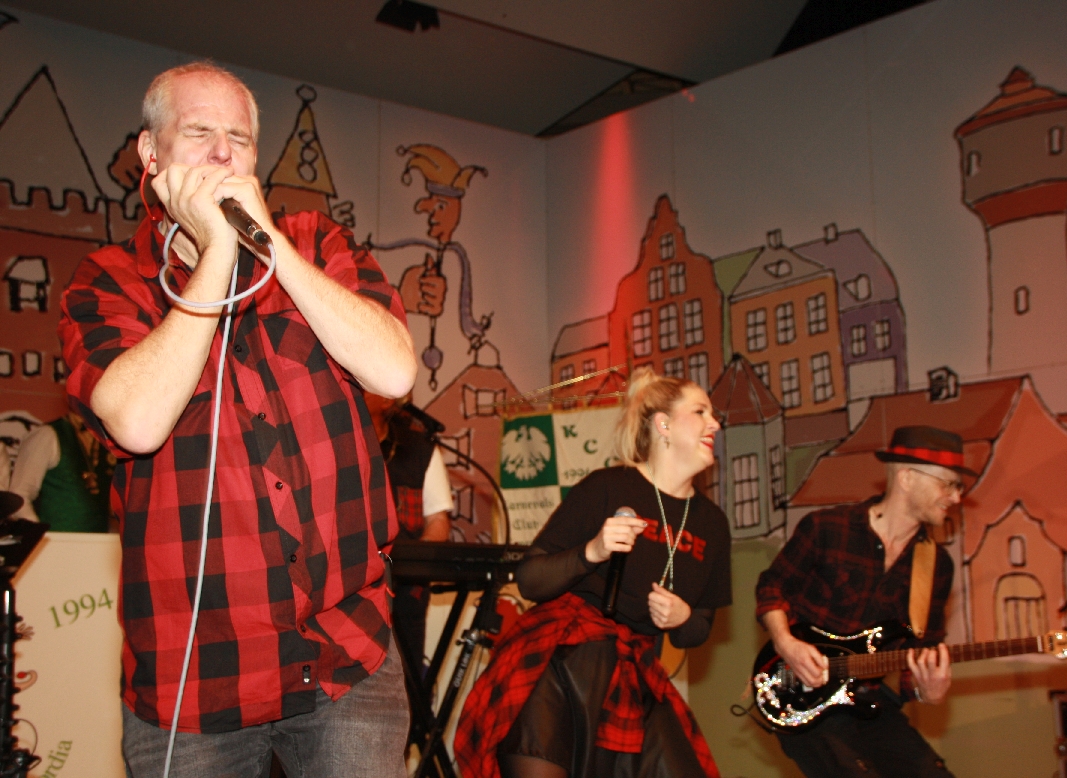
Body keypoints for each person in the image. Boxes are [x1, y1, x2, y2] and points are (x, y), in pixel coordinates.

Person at [57, 61, 417, 777]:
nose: (224, 153)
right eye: (200, 133)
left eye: (241, 139)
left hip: (347, 654)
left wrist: (266, 245)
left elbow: (395, 371)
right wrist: (216, 258)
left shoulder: (316, 243)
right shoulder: (108, 281)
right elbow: (136, 422)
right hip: (196, 681)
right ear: (150, 153)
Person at [456, 367, 731, 778]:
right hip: (563, 659)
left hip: (634, 673)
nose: (715, 423)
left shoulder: (712, 523)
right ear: (664, 425)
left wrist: (683, 617)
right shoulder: (607, 487)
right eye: (700, 412)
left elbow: (700, 628)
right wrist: (592, 551)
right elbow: (530, 579)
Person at [756, 425, 973, 778]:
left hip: (867, 701)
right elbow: (772, 587)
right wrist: (786, 643)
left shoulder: (937, 566)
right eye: (948, 484)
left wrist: (928, 690)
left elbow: (918, 657)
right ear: (906, 478)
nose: (956, 498)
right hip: (800, 694)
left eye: (959, 487)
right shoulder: (827, 528)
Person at [366, 392, 453, 681]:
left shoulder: (419, 449)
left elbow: (438, 520)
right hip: (350, 592)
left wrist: (415, 562)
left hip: (405, 593)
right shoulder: (336, 444)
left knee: (409, 679)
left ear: (387, 399)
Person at [8, 411, 116, 531]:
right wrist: (39, 534)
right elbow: (19, 495)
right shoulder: (47, 434)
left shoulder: (107, 440)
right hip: (54, 539)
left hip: (99, 540)